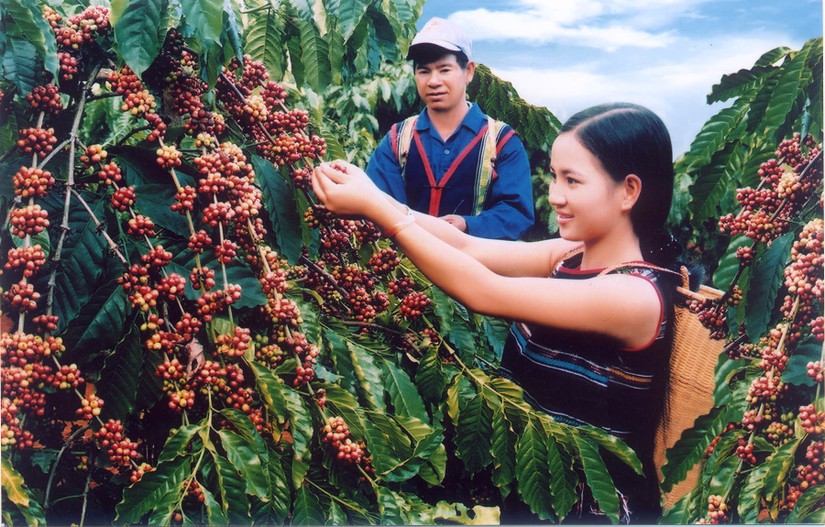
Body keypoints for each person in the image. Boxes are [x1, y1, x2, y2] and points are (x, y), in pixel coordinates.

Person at [312, 102, 682, 522]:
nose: (554, 195)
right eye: (554, 177)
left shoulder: (632, 295)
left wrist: (379, 212)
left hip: (593, 510)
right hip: (539, 495)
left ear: (628, 191)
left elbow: (486, 291)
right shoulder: (569, 255)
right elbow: (467, 248)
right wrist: (374, 197)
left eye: (573, 181)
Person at [366, 17, 535, 240]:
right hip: (405, 269)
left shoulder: (501, 141)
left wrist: (468, 225)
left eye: (445, 70)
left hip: (476, 269)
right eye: (424, 71)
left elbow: (517, 212)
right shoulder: (398, 139)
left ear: (469, 71)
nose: (433, 81)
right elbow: (375, 202)